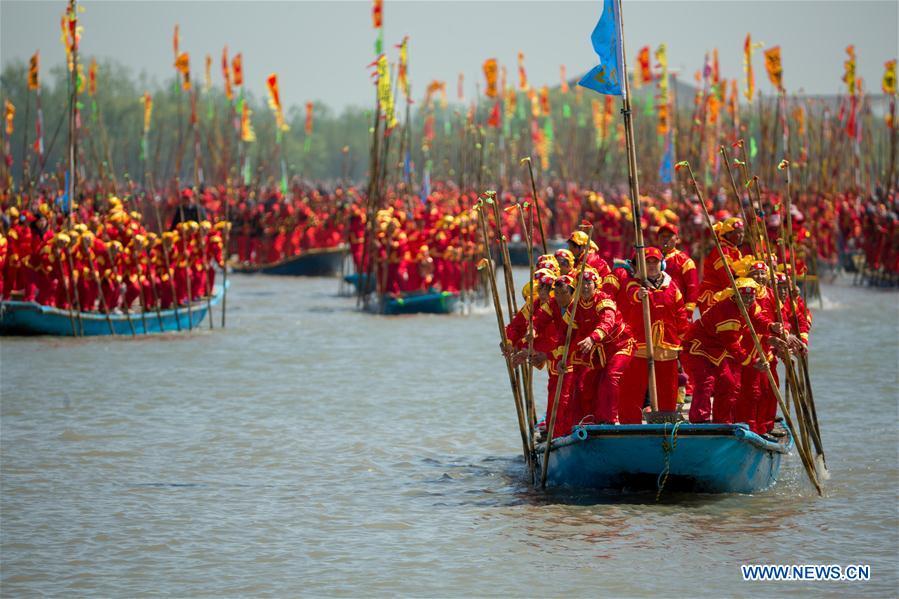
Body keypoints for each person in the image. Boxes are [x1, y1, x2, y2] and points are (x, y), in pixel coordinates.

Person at [683, 277, 782, 424]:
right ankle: (699, 420)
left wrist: (770, 327)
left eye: (751, 296)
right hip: (698, 347)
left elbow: (757, 318)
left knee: (729, 383)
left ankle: (722, 421)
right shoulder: (728, 312)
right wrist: (752, 362)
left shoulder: (751, 305)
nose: (748, 300)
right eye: (744, 296)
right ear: (736, 296)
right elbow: (732, 345)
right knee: (706, 381)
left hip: (718, 349)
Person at [616, 247, 690, 423]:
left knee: (668, 388)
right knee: (633, 387)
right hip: (640, 343)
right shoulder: (634, 284)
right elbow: (628, 298)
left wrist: (684, 339)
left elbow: (680, 314)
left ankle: (665, 423)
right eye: (647, 262)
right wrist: (638, 296)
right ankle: (629, 424)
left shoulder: (671, 286)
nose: (651, 266)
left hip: (667, 344)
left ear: (661, 264)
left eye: (654, 262)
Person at [697, 217, 744, 311]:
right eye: (738, 232)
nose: (742, 235)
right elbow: (726, 277)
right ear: (729, 234)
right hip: (714, 296)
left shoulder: (734, 250)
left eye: (742, 232)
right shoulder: (722, 251)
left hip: (725, 293)